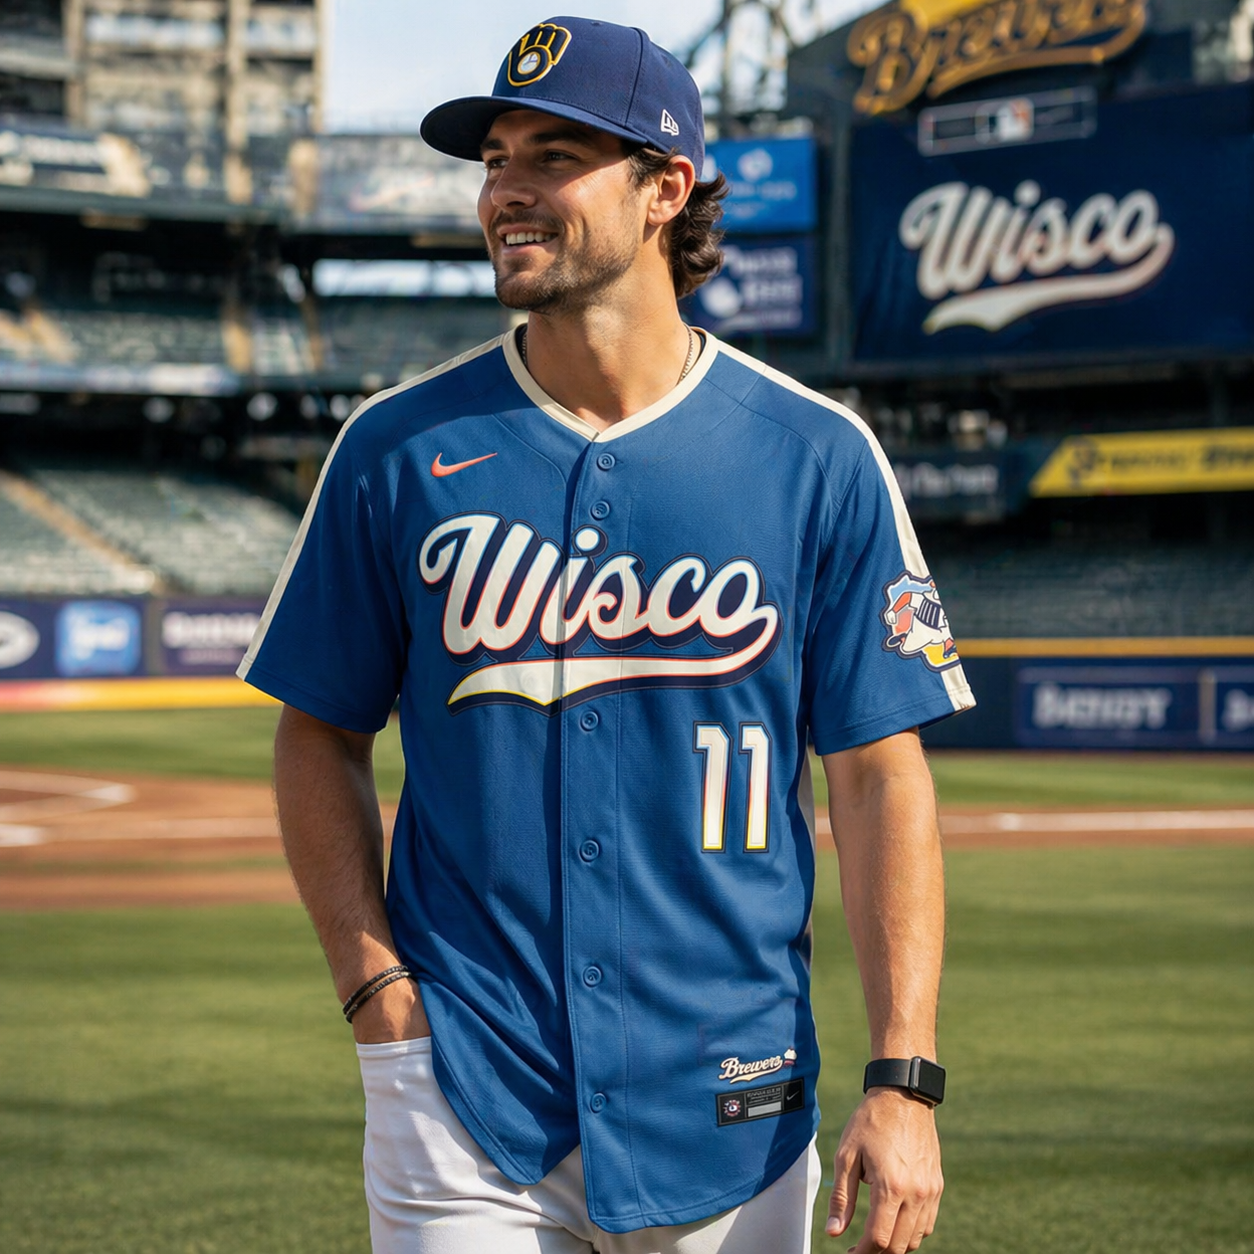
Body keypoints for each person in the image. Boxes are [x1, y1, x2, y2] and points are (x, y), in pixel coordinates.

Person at [239, 15, 974, 1254]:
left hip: (736, 1100)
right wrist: (381, 1005)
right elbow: (317, 733)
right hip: (464, 1095)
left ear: (664, 190)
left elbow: (878, 773)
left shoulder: (818, 457)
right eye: (494, 159)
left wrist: (904, 1082)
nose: (507, 190)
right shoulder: (396, 447)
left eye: (554, 155)